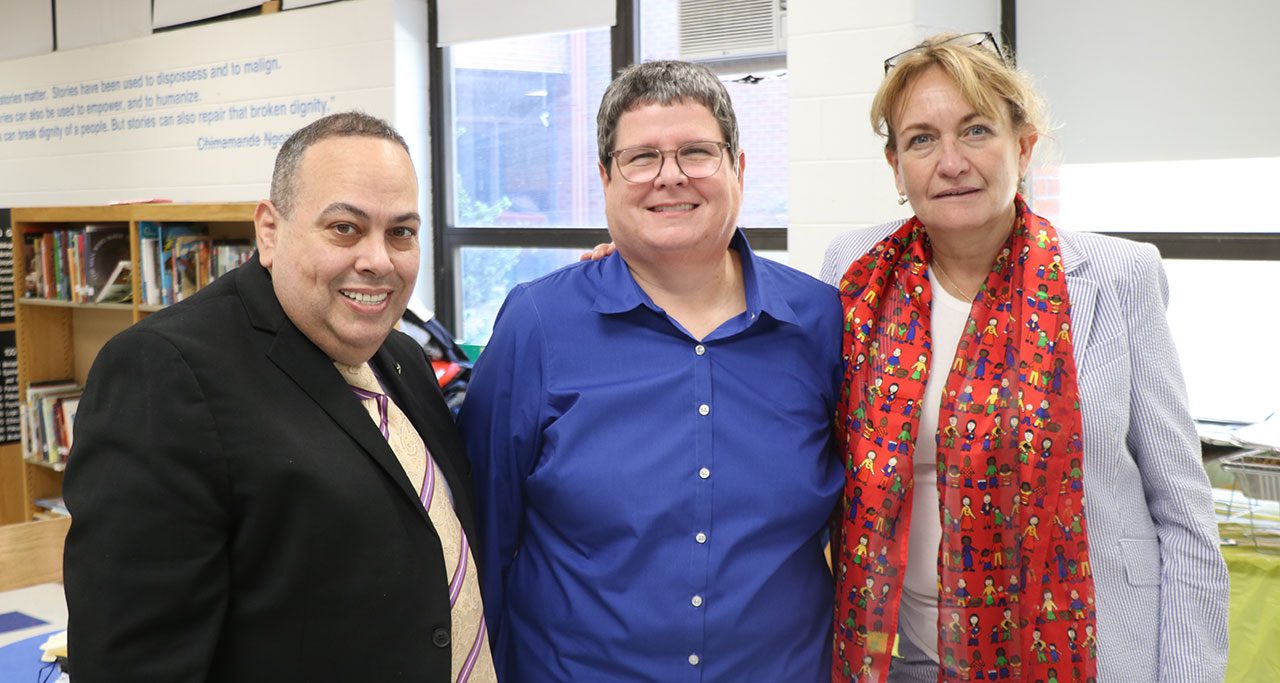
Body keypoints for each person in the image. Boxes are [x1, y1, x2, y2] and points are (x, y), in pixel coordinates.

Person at [821, 33, 1228, 682]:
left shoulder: (1118, 276)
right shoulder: (857, 272)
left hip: (1087, 653)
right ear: (896, 168)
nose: (951, 161)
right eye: (922, 139)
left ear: (1025, 146)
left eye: (976, 130)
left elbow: (1183, 511)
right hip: (903, 659)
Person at [63, 112, 496, 682]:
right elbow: (135, 662)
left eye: (401, 232)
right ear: (269, 230)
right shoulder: (164, 372)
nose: (379, 260)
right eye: (344, 227)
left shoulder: (402, 359)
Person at [458, 60, 842, 682]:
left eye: (697, 152)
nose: (670, 177)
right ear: (606, 177)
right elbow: (482, 538)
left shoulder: (820, 322)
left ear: (739, 169)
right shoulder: (539, 324)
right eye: (641, 158)